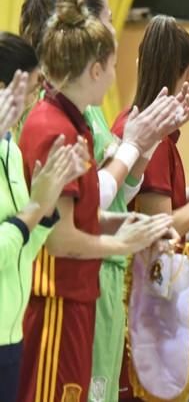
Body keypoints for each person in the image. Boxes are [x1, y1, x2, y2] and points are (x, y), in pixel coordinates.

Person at [19, 0, 185, 402]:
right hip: (54, 295)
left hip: (80, 292)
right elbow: (57, 237)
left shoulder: (74, 119)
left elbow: (86, 207)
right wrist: (119, 241)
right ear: (94, 68)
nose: (116, 76)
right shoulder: (49, 124)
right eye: (112, 65)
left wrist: (122, 221)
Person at [0, 34, 89, 401]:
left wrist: (47, 206)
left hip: (10, 335)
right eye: (34, 87)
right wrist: (31, 214)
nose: (37, 100)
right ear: (6, 88)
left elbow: (24, 245)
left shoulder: (8, 148)